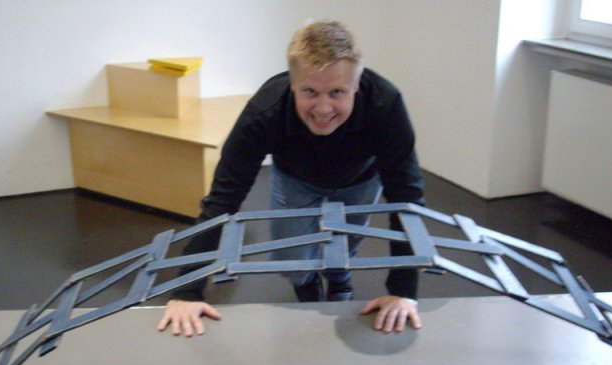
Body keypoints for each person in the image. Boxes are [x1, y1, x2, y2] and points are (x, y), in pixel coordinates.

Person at [158, 19, 425, 338]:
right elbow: (222, 200)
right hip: (294, 179)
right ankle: (307, 283)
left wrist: (403, 291)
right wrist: (187, 290)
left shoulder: (385, 103)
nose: (323, 108)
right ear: (292, 85)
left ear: (356, 85)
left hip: (360, 180)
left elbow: (407, 198)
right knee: (292, 259)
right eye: (310, 91)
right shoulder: (264, 112)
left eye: (337, 92)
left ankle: (338, 279)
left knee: (345, 244)